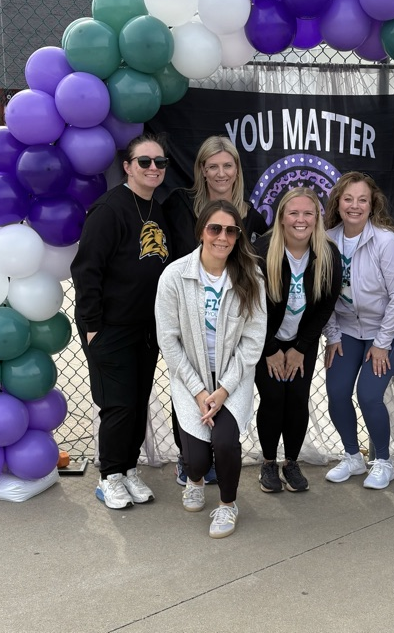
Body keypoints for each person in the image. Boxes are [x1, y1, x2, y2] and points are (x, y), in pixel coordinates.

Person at [71, 132, 170, 510]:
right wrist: (93, 326)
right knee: (118, 405)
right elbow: (86, 270)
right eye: (144, 161)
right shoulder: (109, 209)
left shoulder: (155, 209)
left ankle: (127, 468)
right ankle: (109, 477)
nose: (153, 168)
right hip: (110, 328)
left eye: (159, 162)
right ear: (127, 167)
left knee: (138, 401)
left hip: (146, 329)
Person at [155, 200, 266, 538]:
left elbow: (252, 341)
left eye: (231, 230)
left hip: (232, 380)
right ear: (201, 231)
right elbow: (169, 341)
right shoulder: (175, 275)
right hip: (191, 381)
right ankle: (195, 479)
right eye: (215, 228)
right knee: (197, 459)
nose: (223, 237)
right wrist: (201, 391)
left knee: (226, 442)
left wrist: (223, 390)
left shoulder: (250, 276)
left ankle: (228, 506)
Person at [161, 136, 267, 486]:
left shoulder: (250, 214)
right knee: (188, 386)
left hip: (230, 328)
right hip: (187, 318)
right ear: (202, 170)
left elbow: (251, 274)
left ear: (237, 169)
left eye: (228, 165)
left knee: (225, 408)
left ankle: (218, 469)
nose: (221, 173)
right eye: (213, 166)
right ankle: (189, 458)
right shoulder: (179, 204)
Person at [322, 172, 394, 489]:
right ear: (338, 202)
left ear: (372, 203)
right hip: (346, 329)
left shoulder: (386, 241)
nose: (355, 205)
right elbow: (324, 295)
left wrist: (383, 343)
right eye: (348, 199)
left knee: (369, 395)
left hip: (387, 330)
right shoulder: (326, 239)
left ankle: (384, 461)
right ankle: (352, 457)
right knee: (336, 392)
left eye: (362, 199)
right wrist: (332, 335)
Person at [254, 187, 342, 493]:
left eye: (308, 213)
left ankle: (291, 462)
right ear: (280, 218)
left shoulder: (327, 252)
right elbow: (251, 308)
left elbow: (326, 303)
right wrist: (271, 349)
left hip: (302, 340)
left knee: (296, 401)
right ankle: (268, 463)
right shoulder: (262, 251)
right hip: (265, 340)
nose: (301, 220)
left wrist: (301, 348)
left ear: (317, 218)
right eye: (293, 213)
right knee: (274, 399)